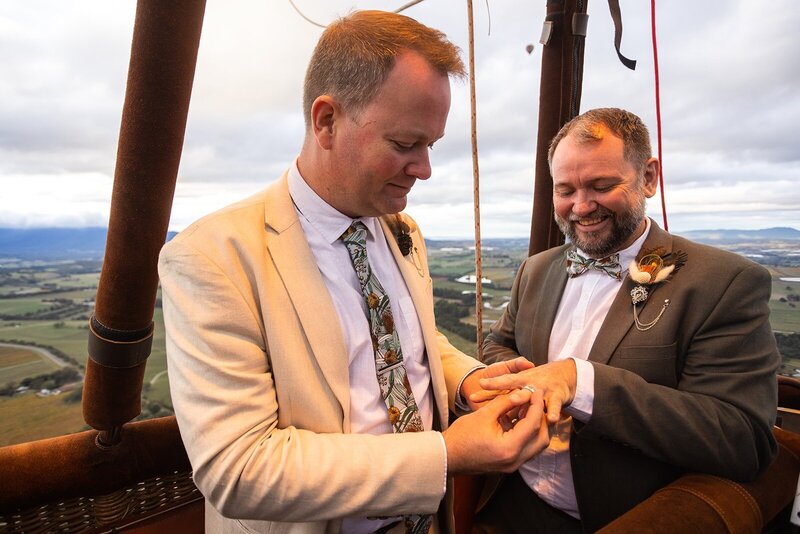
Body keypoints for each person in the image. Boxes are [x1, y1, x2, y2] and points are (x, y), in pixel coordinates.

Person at [158, 10, 549, 534]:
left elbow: (403, 339)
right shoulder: (212, 257)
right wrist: (444, 453)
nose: (425, 169)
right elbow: (240, 470)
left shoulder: (400, 229)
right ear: (326, 121)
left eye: (430, 145)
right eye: (405, 144)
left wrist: (467, 381)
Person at [470, 107, 780, 533]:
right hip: (509, 504)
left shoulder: (724, 282)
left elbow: (742, 439)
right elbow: (497, 346)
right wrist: (535, 383)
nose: (581, 206)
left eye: (601, 186)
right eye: (565, 190)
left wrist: (580, 383)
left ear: (649, 177)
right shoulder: (535, 270)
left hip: (623, 517)